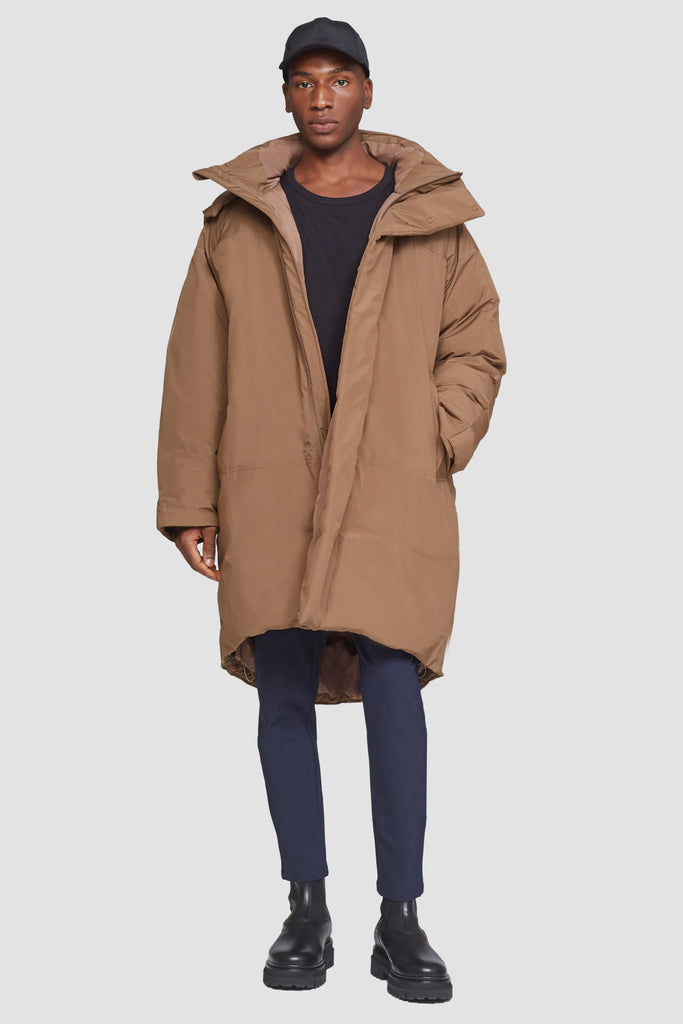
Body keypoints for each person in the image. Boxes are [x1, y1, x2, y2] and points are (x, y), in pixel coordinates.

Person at [156, 16, 507, 1003]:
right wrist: (189, 499)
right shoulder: (236, 223)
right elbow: (195, 366)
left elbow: (475, 343)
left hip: (390, 482)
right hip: (269, 480)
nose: (321, 97)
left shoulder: (429, 216)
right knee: (282, 685)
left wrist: (433, 431)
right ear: (284, 93)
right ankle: (304, 905)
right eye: (303, 80)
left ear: (367, 91)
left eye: (338, 79)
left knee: (394, 679)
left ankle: (401, 917)